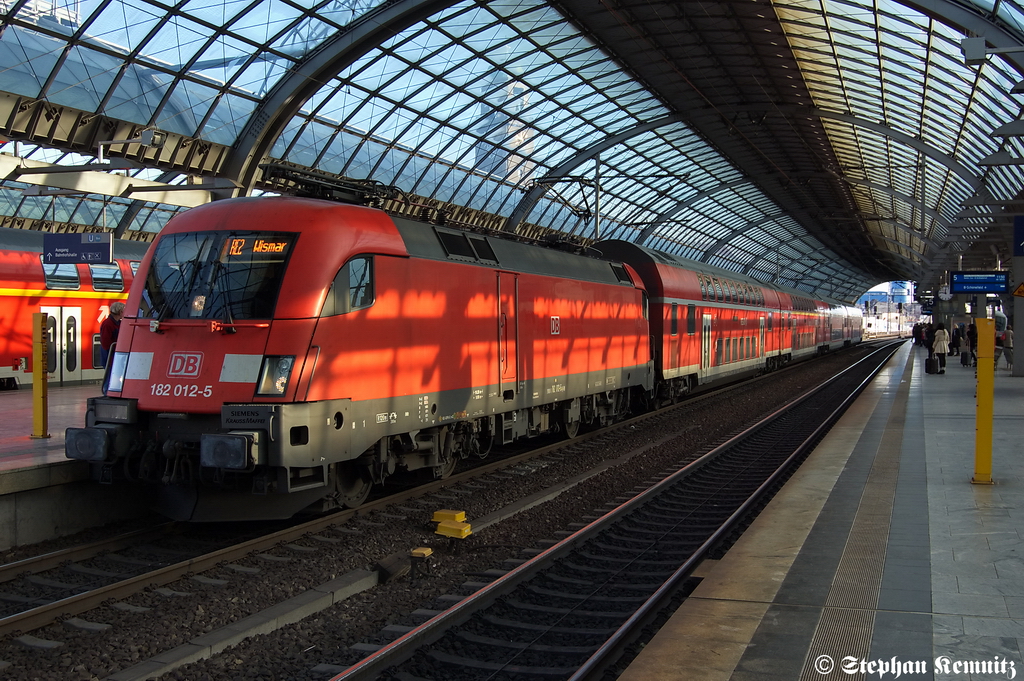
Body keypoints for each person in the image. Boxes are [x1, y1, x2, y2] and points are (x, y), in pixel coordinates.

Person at [100, 301, 125, 367]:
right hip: (110, 356)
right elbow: (105, 342)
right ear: (120, 312)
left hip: (114, 355)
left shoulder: (119, 323)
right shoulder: (108, 324)